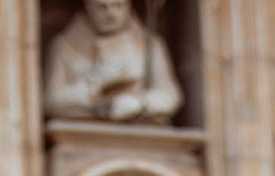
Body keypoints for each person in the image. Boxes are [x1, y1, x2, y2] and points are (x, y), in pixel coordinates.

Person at [44, 0, 183, 125]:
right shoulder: (64, 46)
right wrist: (93, 83)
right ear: (88, 7)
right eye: (102, 7)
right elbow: (50, 103)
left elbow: (171, 96)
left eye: (118, 6)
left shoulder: (151, 45)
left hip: (143, 136)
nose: (111, 14)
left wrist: (140, 103)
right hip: (81, 135)